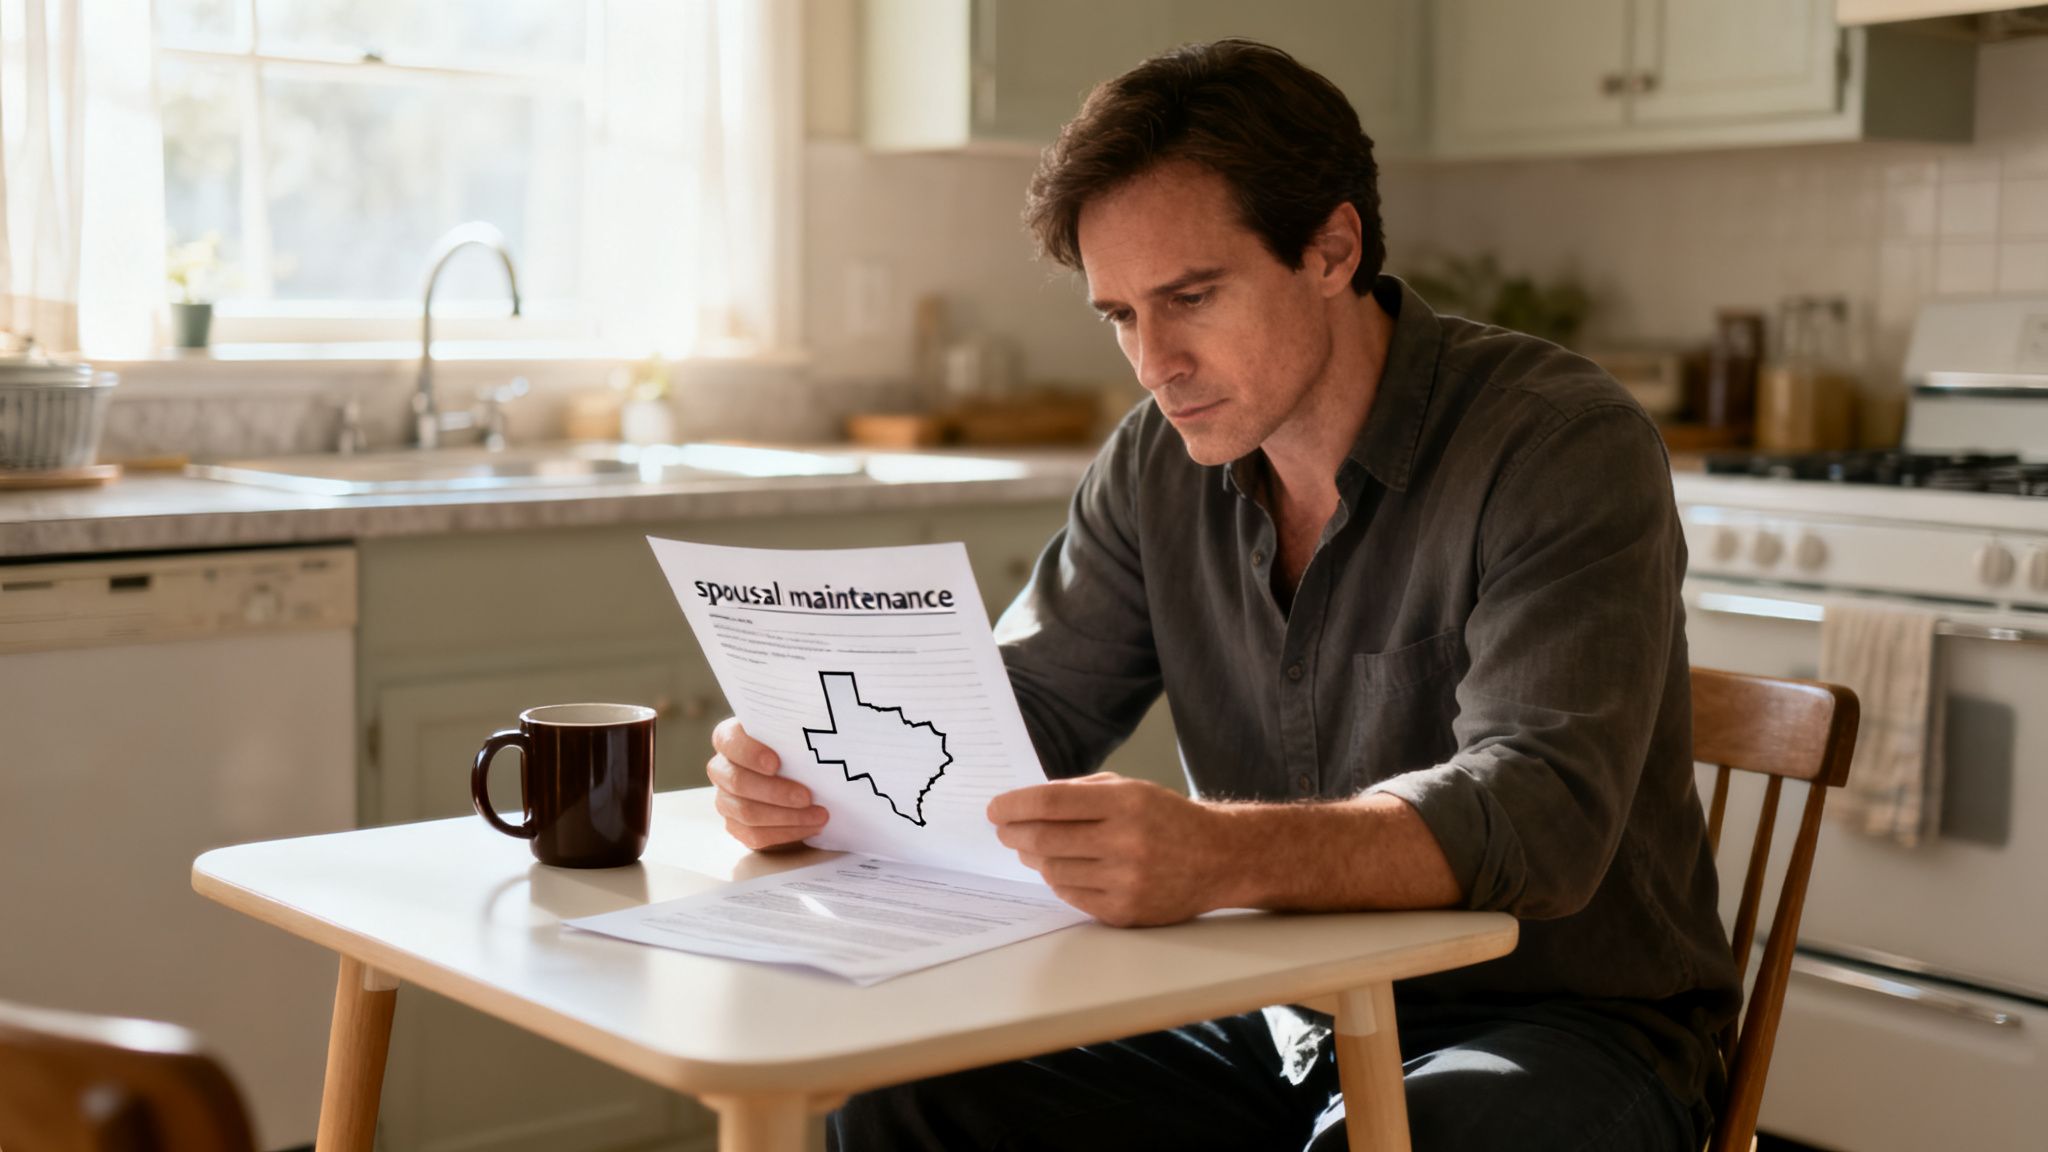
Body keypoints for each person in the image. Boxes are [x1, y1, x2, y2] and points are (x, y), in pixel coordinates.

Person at [704, 39, 1739, 1152]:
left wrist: (1216, 855)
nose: (1154, 363)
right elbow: (1029, 710)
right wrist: (812, 772)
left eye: (1190, 298)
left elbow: (1542, 815)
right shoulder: (1156, 462)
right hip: (1280, 1013)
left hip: (1554, 1026)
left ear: (1332, 248)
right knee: (904, 1092)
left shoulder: (1558, 445)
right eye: (1119, 315)